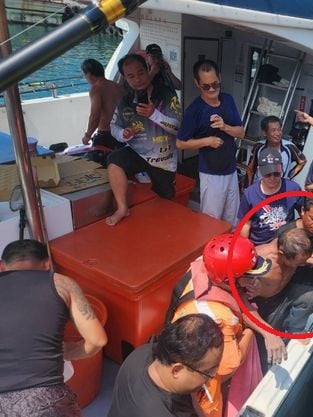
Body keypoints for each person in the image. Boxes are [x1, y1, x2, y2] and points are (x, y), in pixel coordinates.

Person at [167, 234, 278, 417]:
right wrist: (249, 331)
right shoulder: (218, 317)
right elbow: (228, 367)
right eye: (249, 276)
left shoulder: (204, 264)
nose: (254, 281)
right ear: (228, 280)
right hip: (204, 388)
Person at [0, 240, 107, 417]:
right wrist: (73, 351)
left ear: (2, 266)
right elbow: (97, 340)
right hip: (42, 401)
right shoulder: (61, 284)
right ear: (47, 264)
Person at [107, 53, 182, 226]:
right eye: (131, 76)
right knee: (114, 160)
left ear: (149, 70)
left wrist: (153, 114)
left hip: (163, 160)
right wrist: (122, 133)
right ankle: (122, 208)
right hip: (137, 152)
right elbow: (113, 127)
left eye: (141, 73)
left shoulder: (166, 95)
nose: (138, 79)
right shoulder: (124, 101)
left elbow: (178, 127)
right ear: (125, 78)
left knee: (166, 198)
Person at [108, 314, 223, 417]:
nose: (211, 377)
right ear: (176, 370)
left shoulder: (143, 353)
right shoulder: (164, 412)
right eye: (208, 372)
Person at [176, 59, 245, 226]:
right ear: (197, 84)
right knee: (210, 222)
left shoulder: (228, 100)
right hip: (211, 174)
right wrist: (207, 141)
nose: (212, 89)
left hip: (231, 170)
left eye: (215, 84)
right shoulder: (194, 111)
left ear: (219, 78)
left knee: (232, 220)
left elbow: (241, 132)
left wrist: (225, 127)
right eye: (206, 86)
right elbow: (180, 143)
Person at [243, 228, 313, 335]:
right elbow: (238, 297)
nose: (303, 265)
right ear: (281, 253)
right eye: (299, 264)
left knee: (310, 296)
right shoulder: (257, 260)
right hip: (263, 305)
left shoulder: (295, 250)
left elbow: (310, 258)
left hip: (283, 294)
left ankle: (296, 331)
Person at [238, 148, 303, 245]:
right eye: (267, 174)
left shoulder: (293, 188)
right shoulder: (250, 194)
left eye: (276, 174)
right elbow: (245, 225)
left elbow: (304, 214)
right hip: (259, 245)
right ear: (260, 171)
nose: (272, 178)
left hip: (285, 242)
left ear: (281, 169)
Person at [246, 115, 307, 184]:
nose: (277, 133)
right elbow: (250, 169)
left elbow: (302, 161)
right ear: (264, 133)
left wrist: (289, 176)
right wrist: (247, 188)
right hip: (261, 187)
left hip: (281, 189)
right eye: (273, 130)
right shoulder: (259, 146)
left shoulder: (289, 147)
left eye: (279, 129)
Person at [81, 58, 124, 149]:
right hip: (121, 133)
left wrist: (87, 136)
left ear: (89, 74)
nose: (85, 78)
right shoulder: (118, 87)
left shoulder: (96, 89)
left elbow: (95, 116)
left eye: (84, 75)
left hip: (106, 135)